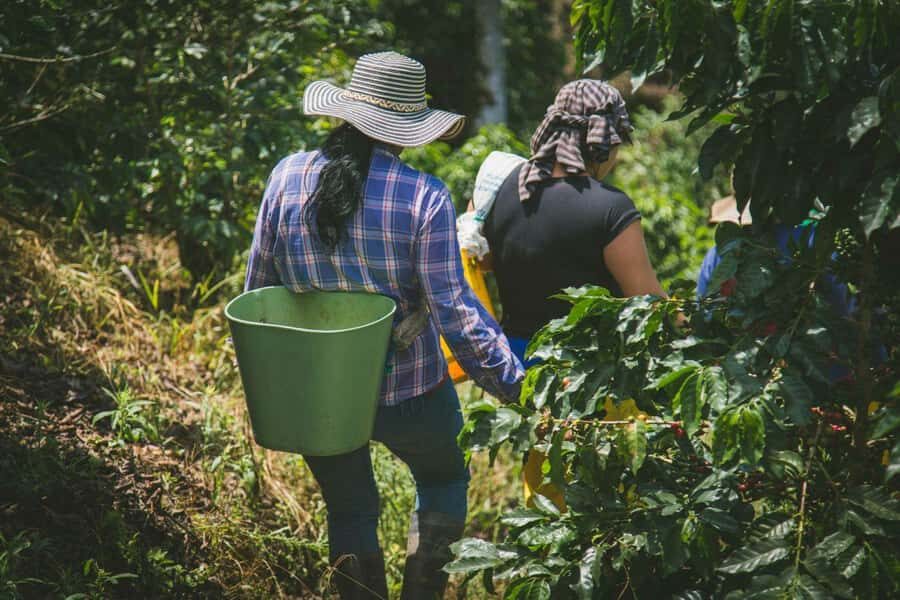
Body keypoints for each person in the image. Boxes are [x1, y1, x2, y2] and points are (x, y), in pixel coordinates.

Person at [244, 52, 524, 600]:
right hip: (410, 391)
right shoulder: (423, 196)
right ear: (407, 129)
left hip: (318, 391)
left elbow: (260, 296)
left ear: (346, 112)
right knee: (442, 478)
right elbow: (456, 315)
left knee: (349, 508)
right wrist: (517, 386)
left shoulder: (285, 177)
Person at [478, 79, 666, 365]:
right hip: (582, 376)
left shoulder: (501, 189)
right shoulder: (611, 207)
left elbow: (484, 261)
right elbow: (649, 303)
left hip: (512, 365)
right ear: (605, 141)